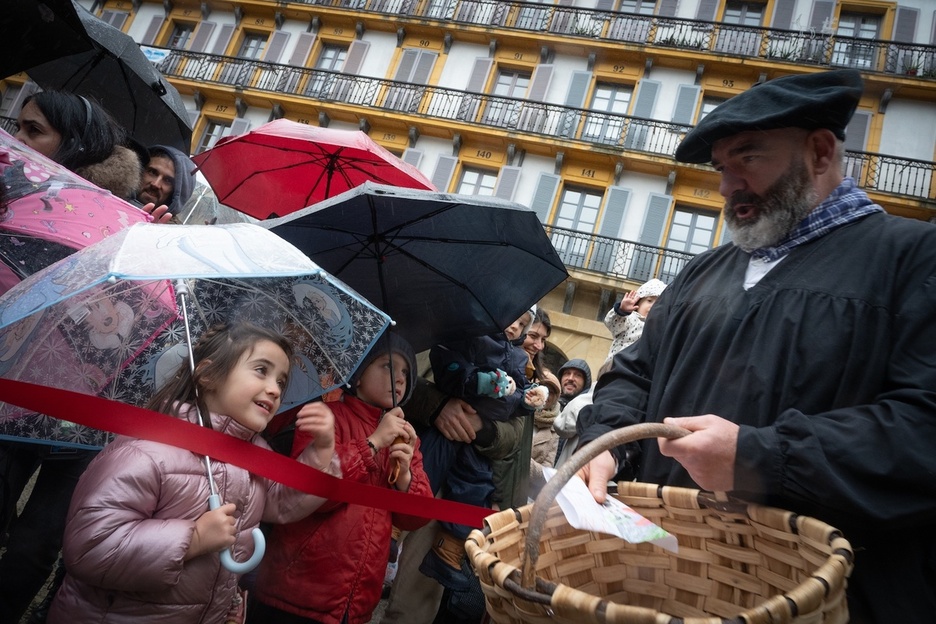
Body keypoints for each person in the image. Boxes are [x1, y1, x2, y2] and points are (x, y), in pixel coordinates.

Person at [575, 69, 936, 623]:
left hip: (827, 598)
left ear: (819, 151)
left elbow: (922, 427)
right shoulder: (701, 272)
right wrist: (607, 441)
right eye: (722, 167)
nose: (727, 186)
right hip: (668, 587)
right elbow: (634, 374)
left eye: (748, 158)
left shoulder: (913, 259)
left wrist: (760, 457)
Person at [45, 322, 338, 622]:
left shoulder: (257, 456)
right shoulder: (148, 450)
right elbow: (89, 548)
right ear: (208, 374)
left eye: (281, 380)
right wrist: (193, 539)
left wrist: (321, 452)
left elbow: (281, 503)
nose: (275, 389)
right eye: (261, 370)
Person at [0, 90, 146, 623]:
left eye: (34, 131)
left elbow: (139, 321)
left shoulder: (129, 222)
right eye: (16, 127)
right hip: (10, 393)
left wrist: (150, 246)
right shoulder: (9, 197)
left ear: (75, 142)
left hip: (83, 412)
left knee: (34, 547)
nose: (18, 142)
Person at [381, 306, 554, 624]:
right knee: (360, 561)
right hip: (405, 464)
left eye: (538, 335)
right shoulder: (443, 325)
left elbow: (513, 440)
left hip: (459, 493)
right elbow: (391, 380)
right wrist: (438, 407)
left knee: (413, 604)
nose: (535, 342)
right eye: (532, 333)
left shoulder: (519, 369)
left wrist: (483, 430)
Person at [251, 332, 433, 624]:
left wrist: (406, 474)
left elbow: (415, 518)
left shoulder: (404, 436)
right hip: (297, 593)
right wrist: (372, 443)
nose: (399, 378)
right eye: (386, 366)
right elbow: (312, 497)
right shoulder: (325, 417)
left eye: (406, 372)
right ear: (358, 376)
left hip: (356, 601)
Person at [418, 309, 536, 591]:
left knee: (476, 485)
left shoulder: (518, 359)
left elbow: (513, 431)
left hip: (476, 444)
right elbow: (445, 366)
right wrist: (473, 383)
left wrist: (522, 402)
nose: (515, 328)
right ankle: (394, 527)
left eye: (523, 325)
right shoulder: (469, 336)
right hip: (432, 434)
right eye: (513, 319)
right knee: (423, 469)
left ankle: (447, 552)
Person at [603, 278, 666, 359]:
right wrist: (622, 311)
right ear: (638, 302)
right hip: (617, 365)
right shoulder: (630, 318)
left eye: (658, 304)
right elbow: (612, 323)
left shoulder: (661, 328)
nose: (653, 306)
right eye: (649, 300)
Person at [134, 144, 197, 220]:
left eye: (167, 180)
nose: (155, 184)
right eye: (152, 172)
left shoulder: (169, 231)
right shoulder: (115, 200)